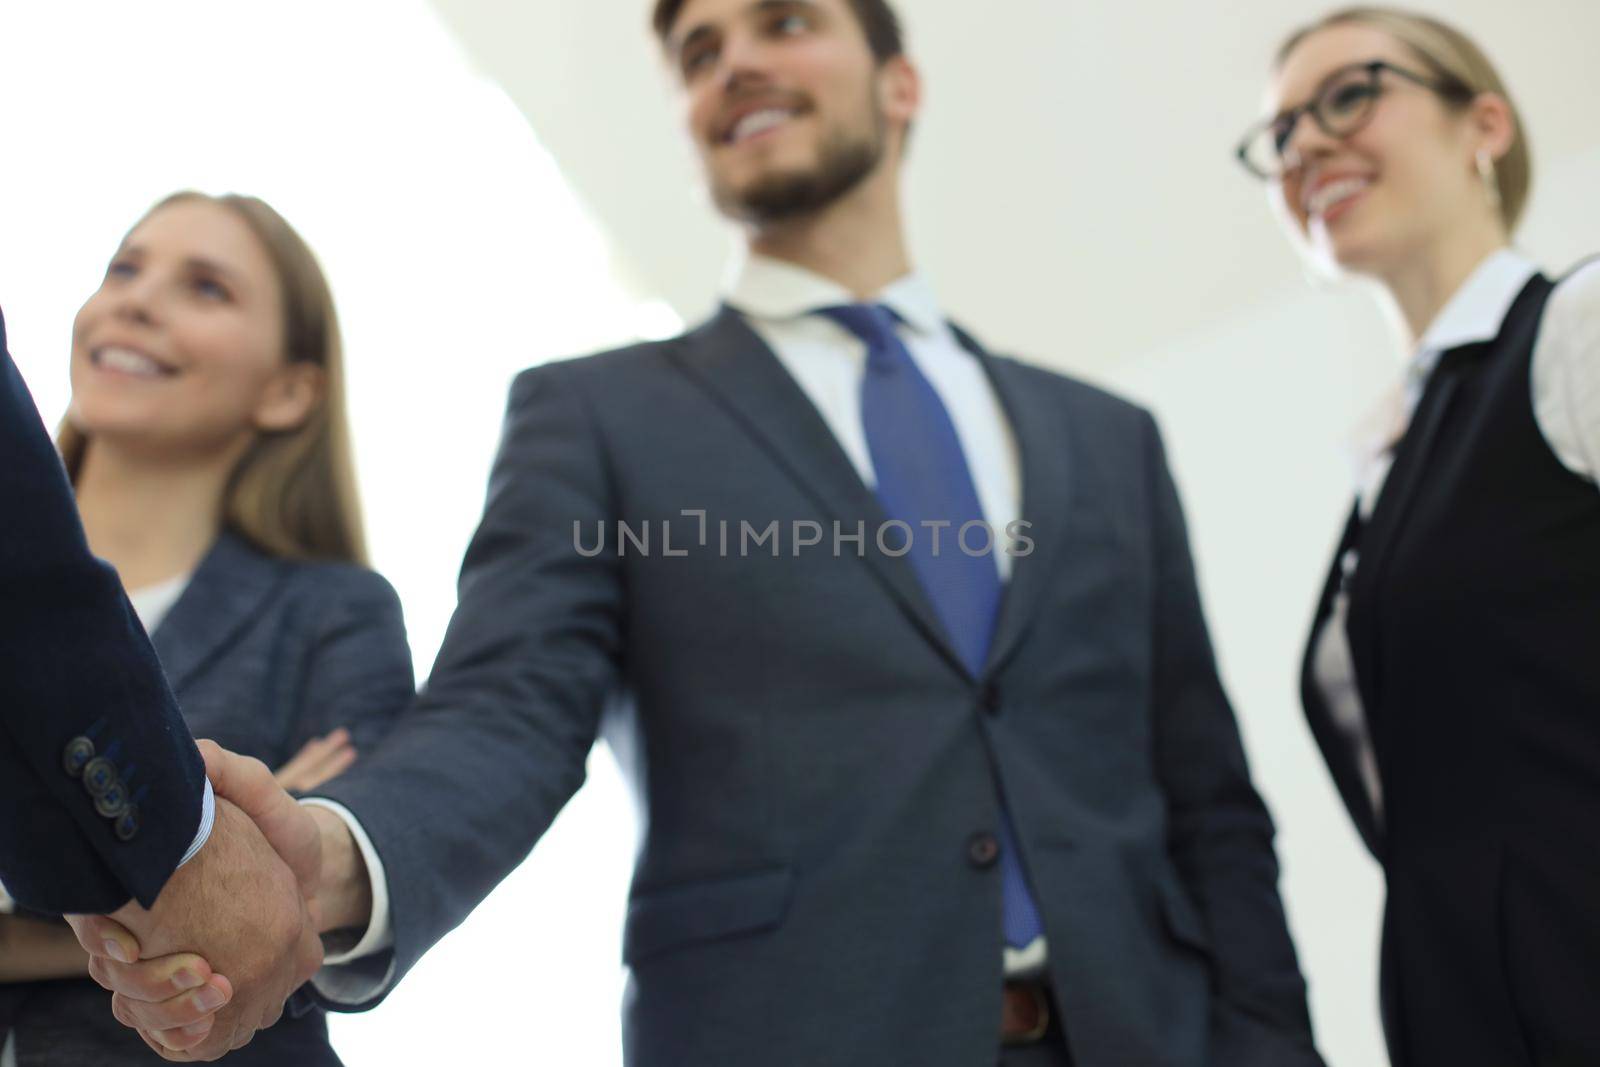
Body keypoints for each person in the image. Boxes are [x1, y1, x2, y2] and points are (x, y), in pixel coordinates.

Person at [97, 3, 1325, 1064]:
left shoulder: (1106, 439)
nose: (731, 59)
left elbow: (1208, 797)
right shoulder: (600, 415)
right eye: (697, 50)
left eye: (784, 20)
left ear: (899, 84)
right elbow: (509, 709)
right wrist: (337, 856)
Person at [1234, 7, 1600, 1065]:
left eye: (1350, 94)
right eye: (1280, 134)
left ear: (1481, 124)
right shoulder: (1384, 455)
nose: (1305, 144)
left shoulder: (1574, 329)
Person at [0, 192, 415, 1066]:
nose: (135, 300)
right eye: (123, 268)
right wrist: (194, 864)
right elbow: (233, 902)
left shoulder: (336, 613)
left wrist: (256, 893)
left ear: (289, 389)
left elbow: (293, 913)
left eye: (206, 288)